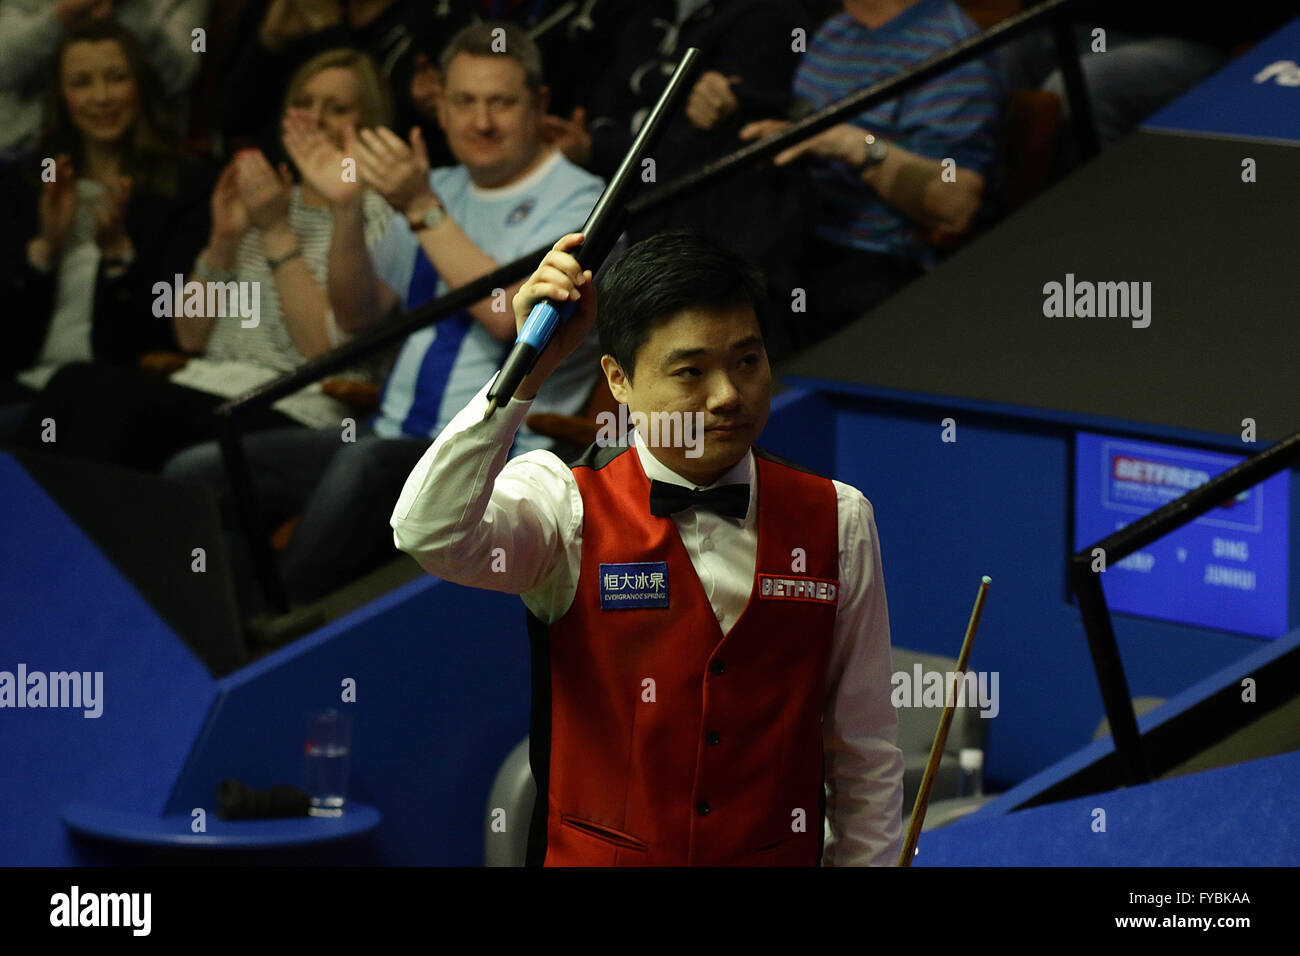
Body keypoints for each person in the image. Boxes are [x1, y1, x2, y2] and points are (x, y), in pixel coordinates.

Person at [390, 230, 904, 866]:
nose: (727, 396)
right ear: (619, 380)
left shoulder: (839, 517)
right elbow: (427, 532)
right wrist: (529, 366)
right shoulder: (562, 504)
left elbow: (864, 752)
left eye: (747, 361)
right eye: (690, 372)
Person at [164, 21, 606, 616]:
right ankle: (233, 626)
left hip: (487, 455)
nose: (481, 122)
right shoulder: (439, 184)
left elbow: (513, 320)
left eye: (500, 101)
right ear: (440, 108)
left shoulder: (581, 199)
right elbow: (359, 316)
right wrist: (347, 209)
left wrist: (422, 208)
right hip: (387, 434)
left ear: (539, 104)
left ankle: (280, 632)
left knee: (365, 465)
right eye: (464, 102)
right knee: (200, 471)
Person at [10, 48, 398, 471]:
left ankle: (67, 533)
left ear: (370, 124)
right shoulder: (268, 196)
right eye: (304, 104)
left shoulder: (377, 214)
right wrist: (225, 239)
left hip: (294, 406)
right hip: (208, 386)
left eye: (337, 108)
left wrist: (274, 232)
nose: (315, 118)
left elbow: (323, 351)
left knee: (110, 399)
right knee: (74, 382)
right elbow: (191, 336)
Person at [739, 0, 1003, 349]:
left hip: (872, 259)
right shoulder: (835, 30)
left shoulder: (951, 45)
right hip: (794, 236)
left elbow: (955, 203)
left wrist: (852, 144)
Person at [0, 19, 211, 438]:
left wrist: (119, 257)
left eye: (116, 78)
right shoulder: (26, 182)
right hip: (21, 379)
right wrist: (44, 248)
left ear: (140, 87)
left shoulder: (185, 187)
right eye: (82, 82)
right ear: (61, 95)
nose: (101, 98)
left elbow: (166, 334)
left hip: (111, 391)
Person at [0, 0, 210, 158]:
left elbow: (181, 75)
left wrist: (131, 10)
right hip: (28, 147)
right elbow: (4, 69)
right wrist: (58, 19)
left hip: (144, 153)